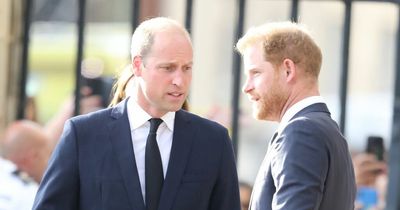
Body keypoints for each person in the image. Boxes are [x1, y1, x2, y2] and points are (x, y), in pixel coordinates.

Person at [33, 17, 240, 210]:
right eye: (168, 68)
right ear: (138, 66)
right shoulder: (83, 135)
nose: (180, 80)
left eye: (187, 68)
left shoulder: (213, 140)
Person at [236, 21, 356, 210]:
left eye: (255, 73)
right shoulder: (326, 130)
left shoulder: (301, 131)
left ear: (288, 70)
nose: (246, 87)